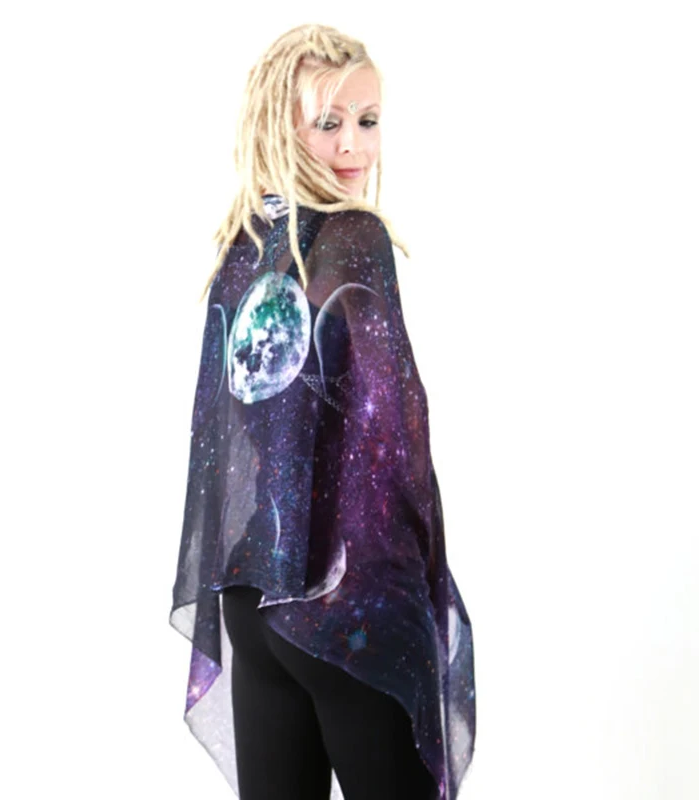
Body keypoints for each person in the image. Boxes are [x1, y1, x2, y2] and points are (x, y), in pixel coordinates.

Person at [169, 23, 476, 800]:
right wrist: (420, 596)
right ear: (280, 124)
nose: (353, 146)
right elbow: (395, 435)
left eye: (368, 120)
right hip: (346, 608)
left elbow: (228, 440)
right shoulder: (352, 237)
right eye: (329, 121)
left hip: (251, 599)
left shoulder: (243, 247)